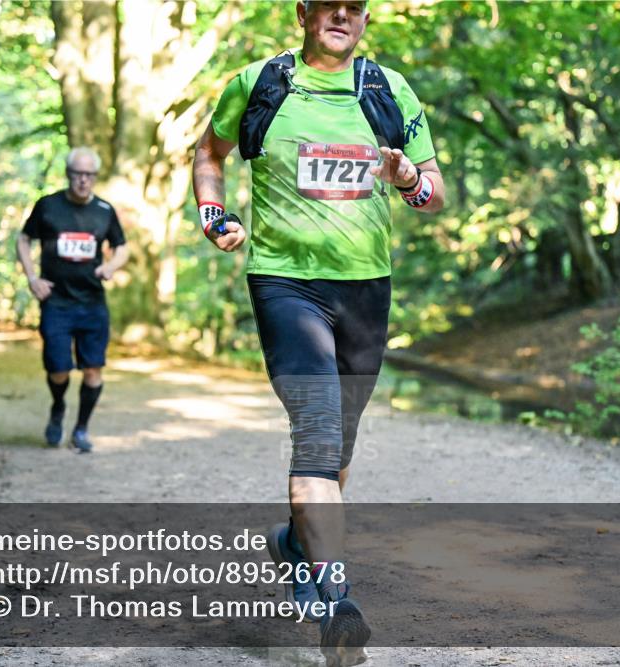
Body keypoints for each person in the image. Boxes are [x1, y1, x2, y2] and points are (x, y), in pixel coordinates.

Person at [192, 1, 445, 664]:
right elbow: (209, 153)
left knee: (338, 451)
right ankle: (337, 603)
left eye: (354, 5)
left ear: (365, 18)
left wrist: (410, 177)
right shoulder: (260, 84)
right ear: (301, 12)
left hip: (367, 289)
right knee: (318, 430)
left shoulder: (388, 91)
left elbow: (435, 193)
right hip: (285, 283)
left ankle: (297, 545)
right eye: (327, 2)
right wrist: (213, 211)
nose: (341, 12)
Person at [16, 147, 129, 453]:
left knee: (93, 370)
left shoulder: (104, 210)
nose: (83, 180)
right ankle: (57, 406)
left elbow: (122, 247)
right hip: (56, 301)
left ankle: (81, 429)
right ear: (68, 174)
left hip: (92, 303)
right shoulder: (48, 206)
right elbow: (24, 239)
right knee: (58, 369)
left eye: (89, 175)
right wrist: (31, 278)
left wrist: (111, 266)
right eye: (78, 174)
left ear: (95, 177)